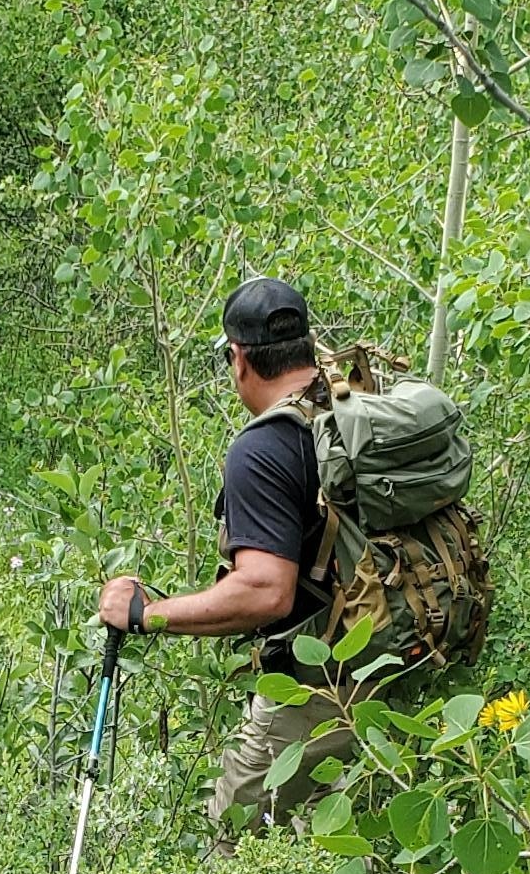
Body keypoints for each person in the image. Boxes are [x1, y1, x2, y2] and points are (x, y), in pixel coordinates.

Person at [93, 275, 357, 838]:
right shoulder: (357, 408)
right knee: (355, 844)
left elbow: (265, 591)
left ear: (238, 359)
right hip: (400, 660)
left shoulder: (263, 449)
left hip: (318, 685)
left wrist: (147, 615)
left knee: (234, 846)